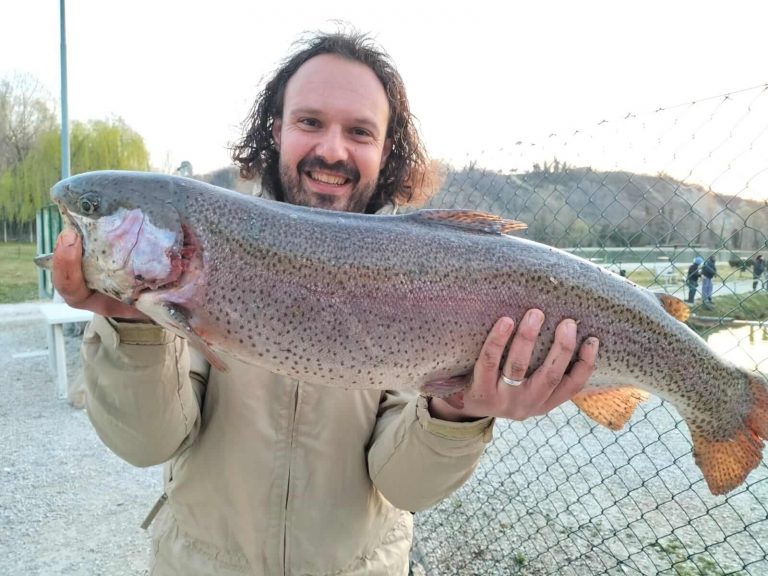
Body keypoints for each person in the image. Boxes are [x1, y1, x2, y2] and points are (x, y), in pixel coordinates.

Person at [51, 30, 599, 576]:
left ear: (386, 152)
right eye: (309, 121)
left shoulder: (422, 274)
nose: (332, 149)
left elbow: (403, 486)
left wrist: (460, 410)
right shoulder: (193, 278)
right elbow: (147, 442)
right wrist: (132, 327)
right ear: (277, 131)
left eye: (359, 131)